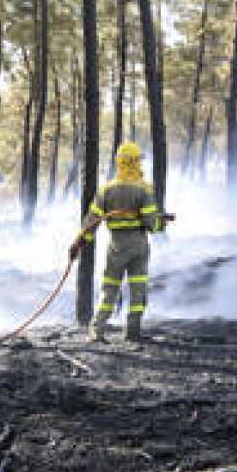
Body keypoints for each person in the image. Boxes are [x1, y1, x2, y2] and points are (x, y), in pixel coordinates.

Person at [70, 141, 171, 342]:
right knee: (138, 289)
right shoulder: (144, 190)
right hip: (138, 245)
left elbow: (91, 222)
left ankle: (96, 331)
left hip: (115, 246)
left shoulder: (106, 190)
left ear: (119, 162)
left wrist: (81, 242)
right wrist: (162, 224)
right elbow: (152, 224)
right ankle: (133, 332)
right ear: (136, 162)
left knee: (109, 289)